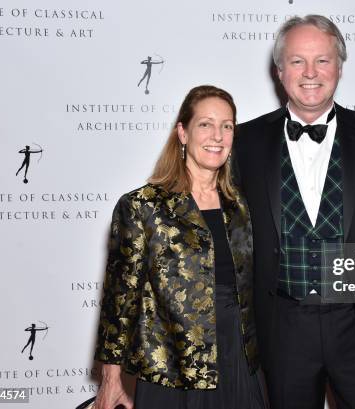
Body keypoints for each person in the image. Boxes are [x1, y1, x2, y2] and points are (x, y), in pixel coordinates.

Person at [234, 15, 355, 409]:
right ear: (279, 71)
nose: (310, 73)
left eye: (322, 60)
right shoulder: (244, 140)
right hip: (282, 326)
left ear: (339, 67)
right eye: (298, 61)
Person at [94, 85, 264, 409]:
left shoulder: (242, 205)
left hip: (240, 361)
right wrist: (111, 380)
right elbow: (119, 303)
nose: (217, 135)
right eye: (206, 124)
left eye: (226, 126)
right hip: (173, 369)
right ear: (183, 133)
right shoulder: (142, 206)